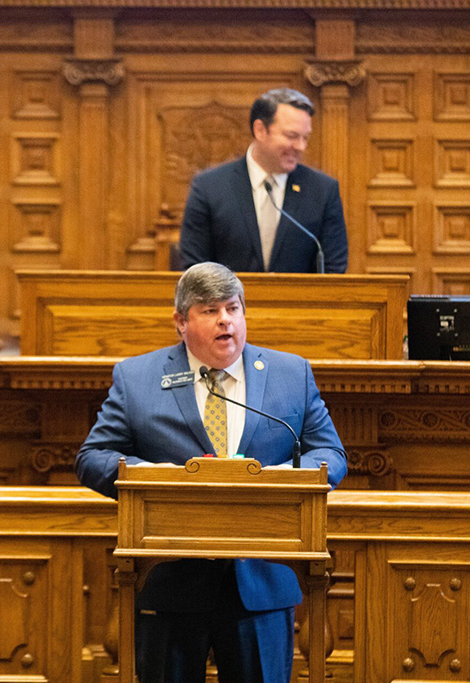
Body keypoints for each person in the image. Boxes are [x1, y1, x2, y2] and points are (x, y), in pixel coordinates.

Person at [75, 262, 347, 683]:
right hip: (169, 580)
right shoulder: (137, 378)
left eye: (233, 308)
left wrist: (275, 478)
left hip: (262, 581)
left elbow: (329, 452)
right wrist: (153, 476)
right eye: (209, 310)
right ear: (181, 321)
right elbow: (93, 456)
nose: (225, 320)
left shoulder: (291, 374)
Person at [179, 88, 348, 274]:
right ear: (260, 130)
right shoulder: (209, 187)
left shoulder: (323, 190)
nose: (301, 146)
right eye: (292, 136)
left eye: (305, 137)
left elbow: (334, 269)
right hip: (229, 303)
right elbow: (194, 268)